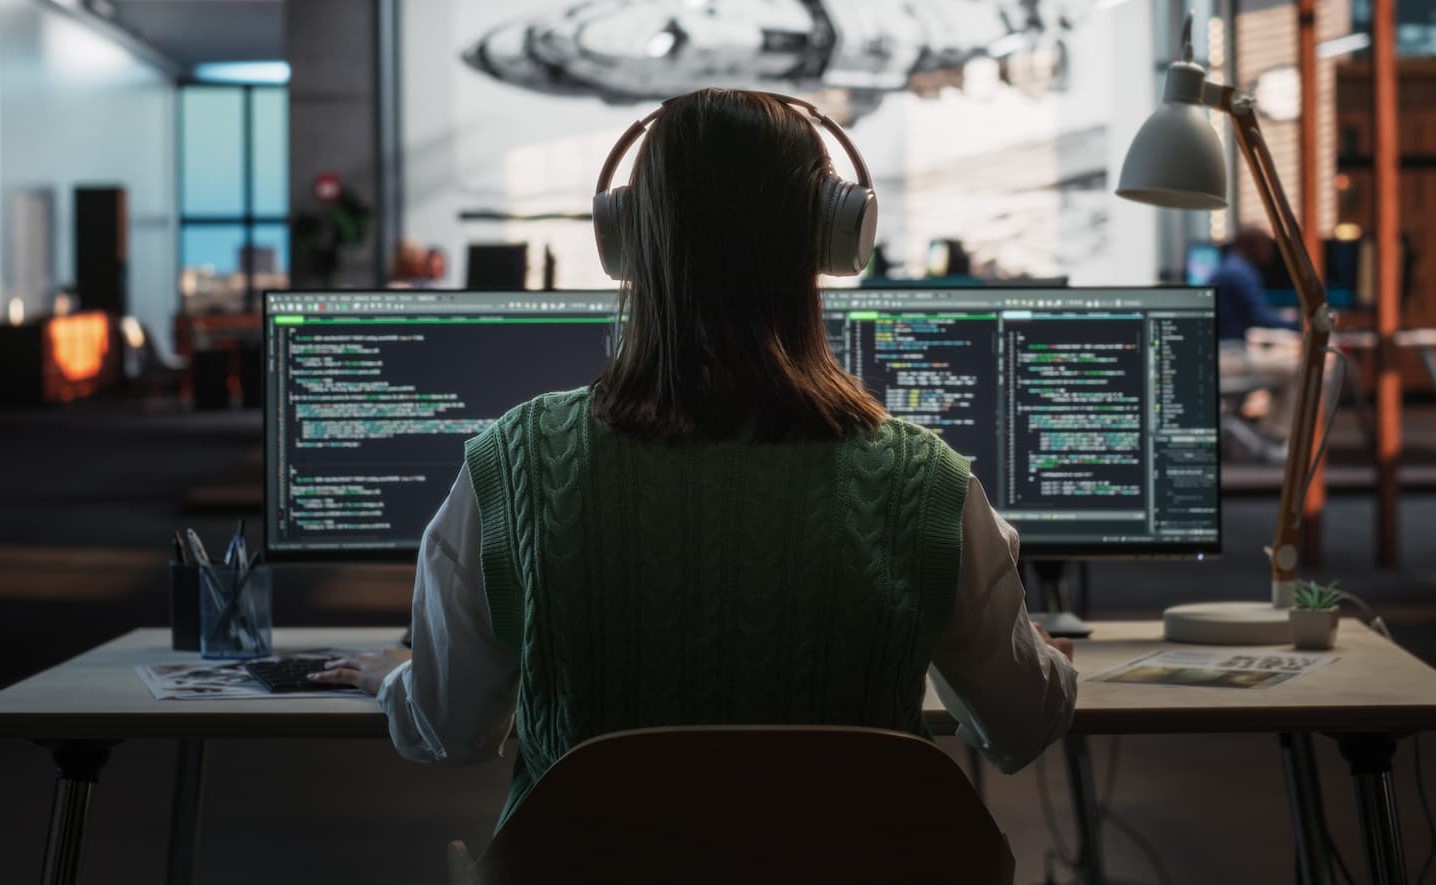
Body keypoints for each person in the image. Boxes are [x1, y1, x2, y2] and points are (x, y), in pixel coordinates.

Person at [313, 88, 1077, 827]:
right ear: (834, 236)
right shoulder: (927, 482)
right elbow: (1022, 724)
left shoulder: (514, 462)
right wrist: (1030, 649)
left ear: (621, 236)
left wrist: (396, 680)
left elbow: (451, 731)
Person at [1211, 226, 1301, 451]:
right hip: (1227, 357)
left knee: (1284, 365)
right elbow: (1259, 316)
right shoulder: (1239, 273)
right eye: (1267, 245)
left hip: (1222, 353)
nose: (1270, 252)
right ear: (1252, 245)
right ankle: (1276, 437)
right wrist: (1301, 323)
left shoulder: (1229, 268)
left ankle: (1271, 434)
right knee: (1299, 370)